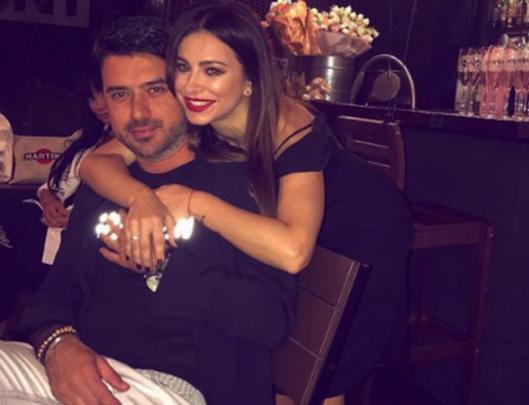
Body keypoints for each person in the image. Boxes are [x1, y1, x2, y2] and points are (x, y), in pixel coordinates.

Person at [79, 2, 413, 404]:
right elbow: (95, 163)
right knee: (274, 352)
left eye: (213, 71)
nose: (191, 85)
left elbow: (292, 251)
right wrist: (143, 199)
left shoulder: (287, 125)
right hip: (284, 223)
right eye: (183, 67)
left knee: (320, 364)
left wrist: (192, 202)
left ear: (250, 77)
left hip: (359, 225)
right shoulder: (194, 104)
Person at [0, 15, 295, 405]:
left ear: (183, 89)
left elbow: (271, 319)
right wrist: (58, 344)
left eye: (155, 89)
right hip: (75, 364)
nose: (138, 112)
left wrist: (159, 267)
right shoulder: (107, 182)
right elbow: (56, 292)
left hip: (171, 386)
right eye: (119, 94)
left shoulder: (236, 183)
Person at [0, 69, 111, 331]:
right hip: (43, 221)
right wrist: (49, 200)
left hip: (78, 235)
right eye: (92, 97)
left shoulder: (135, 148)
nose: (99, 104)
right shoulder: (87, 139)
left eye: (108, 94)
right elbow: (49, 186)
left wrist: (78, 216)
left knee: (8, 259)